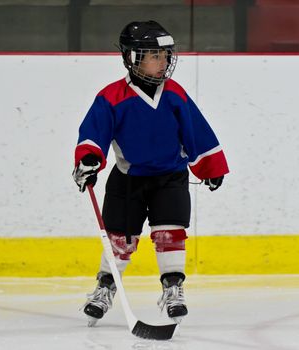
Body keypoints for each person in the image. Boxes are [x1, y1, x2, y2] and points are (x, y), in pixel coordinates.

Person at [72, 20, 229, 326]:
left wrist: (210, 167)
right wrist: (89, 160)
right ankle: (104, 289)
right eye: (155, 55)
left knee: (170, 234)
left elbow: (196, 131)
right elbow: (94, 134)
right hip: (127, 180)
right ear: (132, 58)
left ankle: (173, 289)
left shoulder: (174, 94)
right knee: (119, 240)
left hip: (171, 177)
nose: (164, 62)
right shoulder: (112, 97)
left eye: (167, 55)